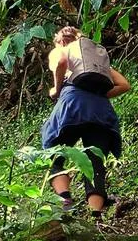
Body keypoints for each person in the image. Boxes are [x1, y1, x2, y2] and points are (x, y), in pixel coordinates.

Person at [42, 27, 131, 219]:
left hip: (72, 107)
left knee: (52, 153)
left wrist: (57, 90)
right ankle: (95, 215)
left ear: (60, 41)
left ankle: (65, 200)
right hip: (101, 111)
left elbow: (61, 62)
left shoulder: (62, 50)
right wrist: (97, 96)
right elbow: (124, 85)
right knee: (95, 160)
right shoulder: (95, 61)